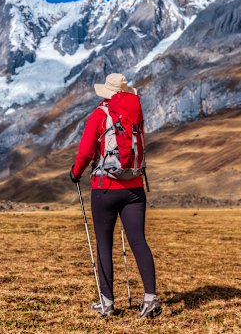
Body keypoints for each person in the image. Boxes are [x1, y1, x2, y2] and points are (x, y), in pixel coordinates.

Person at [69, 73, 161, 318]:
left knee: (104, 245)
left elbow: (86, 151)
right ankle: (150, 298)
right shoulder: (135, 116)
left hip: (105, 188)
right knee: (138, 241)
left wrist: (75, 173)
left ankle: (107, 303)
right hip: (134, 188)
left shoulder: (100, 115)